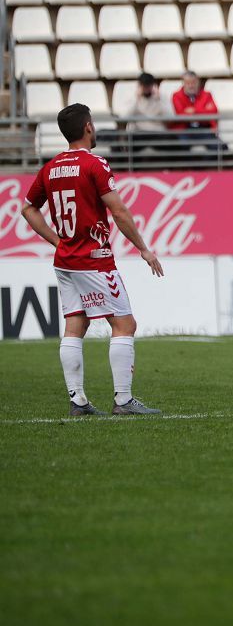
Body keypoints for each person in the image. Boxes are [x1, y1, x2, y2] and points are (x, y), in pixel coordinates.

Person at [20, 104, 164, 416]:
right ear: (88, 127)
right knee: (124, 323)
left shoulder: (51, 167)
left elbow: (28, 209)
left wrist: (57, 241)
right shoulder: (94, 164)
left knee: (75, 324)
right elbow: (120, 212)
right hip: (94, 259)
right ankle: (123, 401)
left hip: (65, 261)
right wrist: (143, 247)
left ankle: (78, 402)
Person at [169, 71, 225, 154]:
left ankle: (206, 166)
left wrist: (194, 110)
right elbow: (180, 114)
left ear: (198, 83)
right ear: (183, 83)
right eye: (188, 83)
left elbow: (213, 112)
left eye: (194, 82)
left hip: (203, 128)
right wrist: (203, 110)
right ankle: (187, 167)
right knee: (180, 146)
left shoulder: (207, 94)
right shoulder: (176, 95)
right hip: (185, 129)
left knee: (220, 147)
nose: (191, 86)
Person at [123, 72, 172, 154]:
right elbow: (125, 117)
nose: (146, 88)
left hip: (158, 133)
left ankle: (167, 166)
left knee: (172, 139)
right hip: (139, 133)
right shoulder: (133, 98)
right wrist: (136, 100)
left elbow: (170, 117)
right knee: (127, 140)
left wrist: (158, 100)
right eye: (144, 85)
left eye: (148, 85)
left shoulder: (161, 97)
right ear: (139, 86)